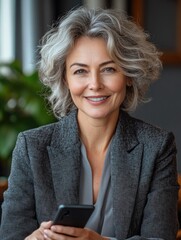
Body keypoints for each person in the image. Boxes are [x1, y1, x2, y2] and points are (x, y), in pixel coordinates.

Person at [0, 7, 179, 240]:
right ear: (65, 78)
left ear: (128, 74)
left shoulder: (157, 147)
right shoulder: (32, 146)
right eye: (80, 71)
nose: (95, 84)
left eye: (108, 69)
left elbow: (161, 238)